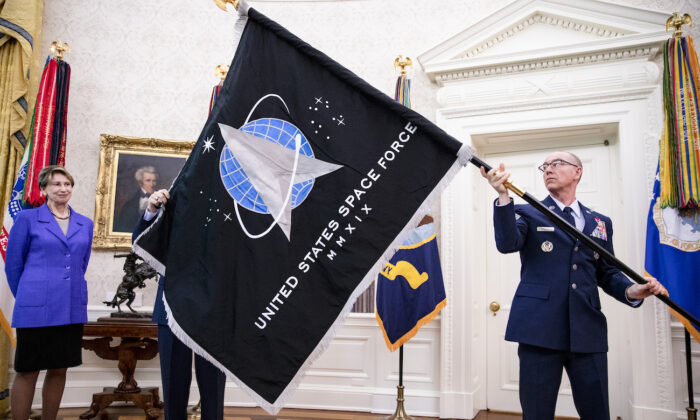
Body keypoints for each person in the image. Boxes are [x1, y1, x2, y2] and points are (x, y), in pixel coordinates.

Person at [480, 151, 665, 420]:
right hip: (538, 329)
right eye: (545, 166)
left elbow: (606, 272)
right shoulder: (527, 211)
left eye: (557, 164)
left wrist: (632, 290)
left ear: (577, 171)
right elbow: (507, 244)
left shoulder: (600, 222)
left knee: (596, 411)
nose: (548, 170)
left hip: (587, 330)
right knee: (537, 413)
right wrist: (503, 196)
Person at [5, 165, 93, 420]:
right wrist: (30, 295)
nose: (63, 189)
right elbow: (13, 265)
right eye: (56, 184)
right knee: (28, 370)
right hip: (35, 309)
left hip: (70, 308)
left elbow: (81, 264)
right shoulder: (27, 219)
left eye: (67, 184)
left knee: (59, 368)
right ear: (43, 189)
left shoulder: (84, 223)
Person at [133, 188, 226, 420]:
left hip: (211, 314)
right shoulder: (171, 206)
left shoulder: (225, 213)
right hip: (170, 310)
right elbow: (141, 241)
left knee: (213, 389)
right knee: (173, 387)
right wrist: (152, 209)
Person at [114, 166, 158, 233]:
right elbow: (122, 227)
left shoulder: (162, 201)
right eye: (148, 180)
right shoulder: (129, 205)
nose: (152, 184)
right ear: (140, 183)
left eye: (154, 181)